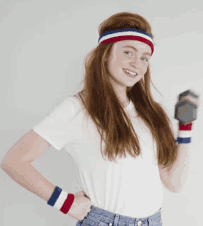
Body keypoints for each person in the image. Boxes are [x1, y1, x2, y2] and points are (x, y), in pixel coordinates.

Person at [1, 11, 182, 226]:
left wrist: (186, 129)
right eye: (128, 52)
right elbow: (14, 161)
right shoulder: (77, 109)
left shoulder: (152, 113)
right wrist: (65, 203)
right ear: (106, 55)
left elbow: (172, 181)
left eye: (144, 57)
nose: (137, 63)